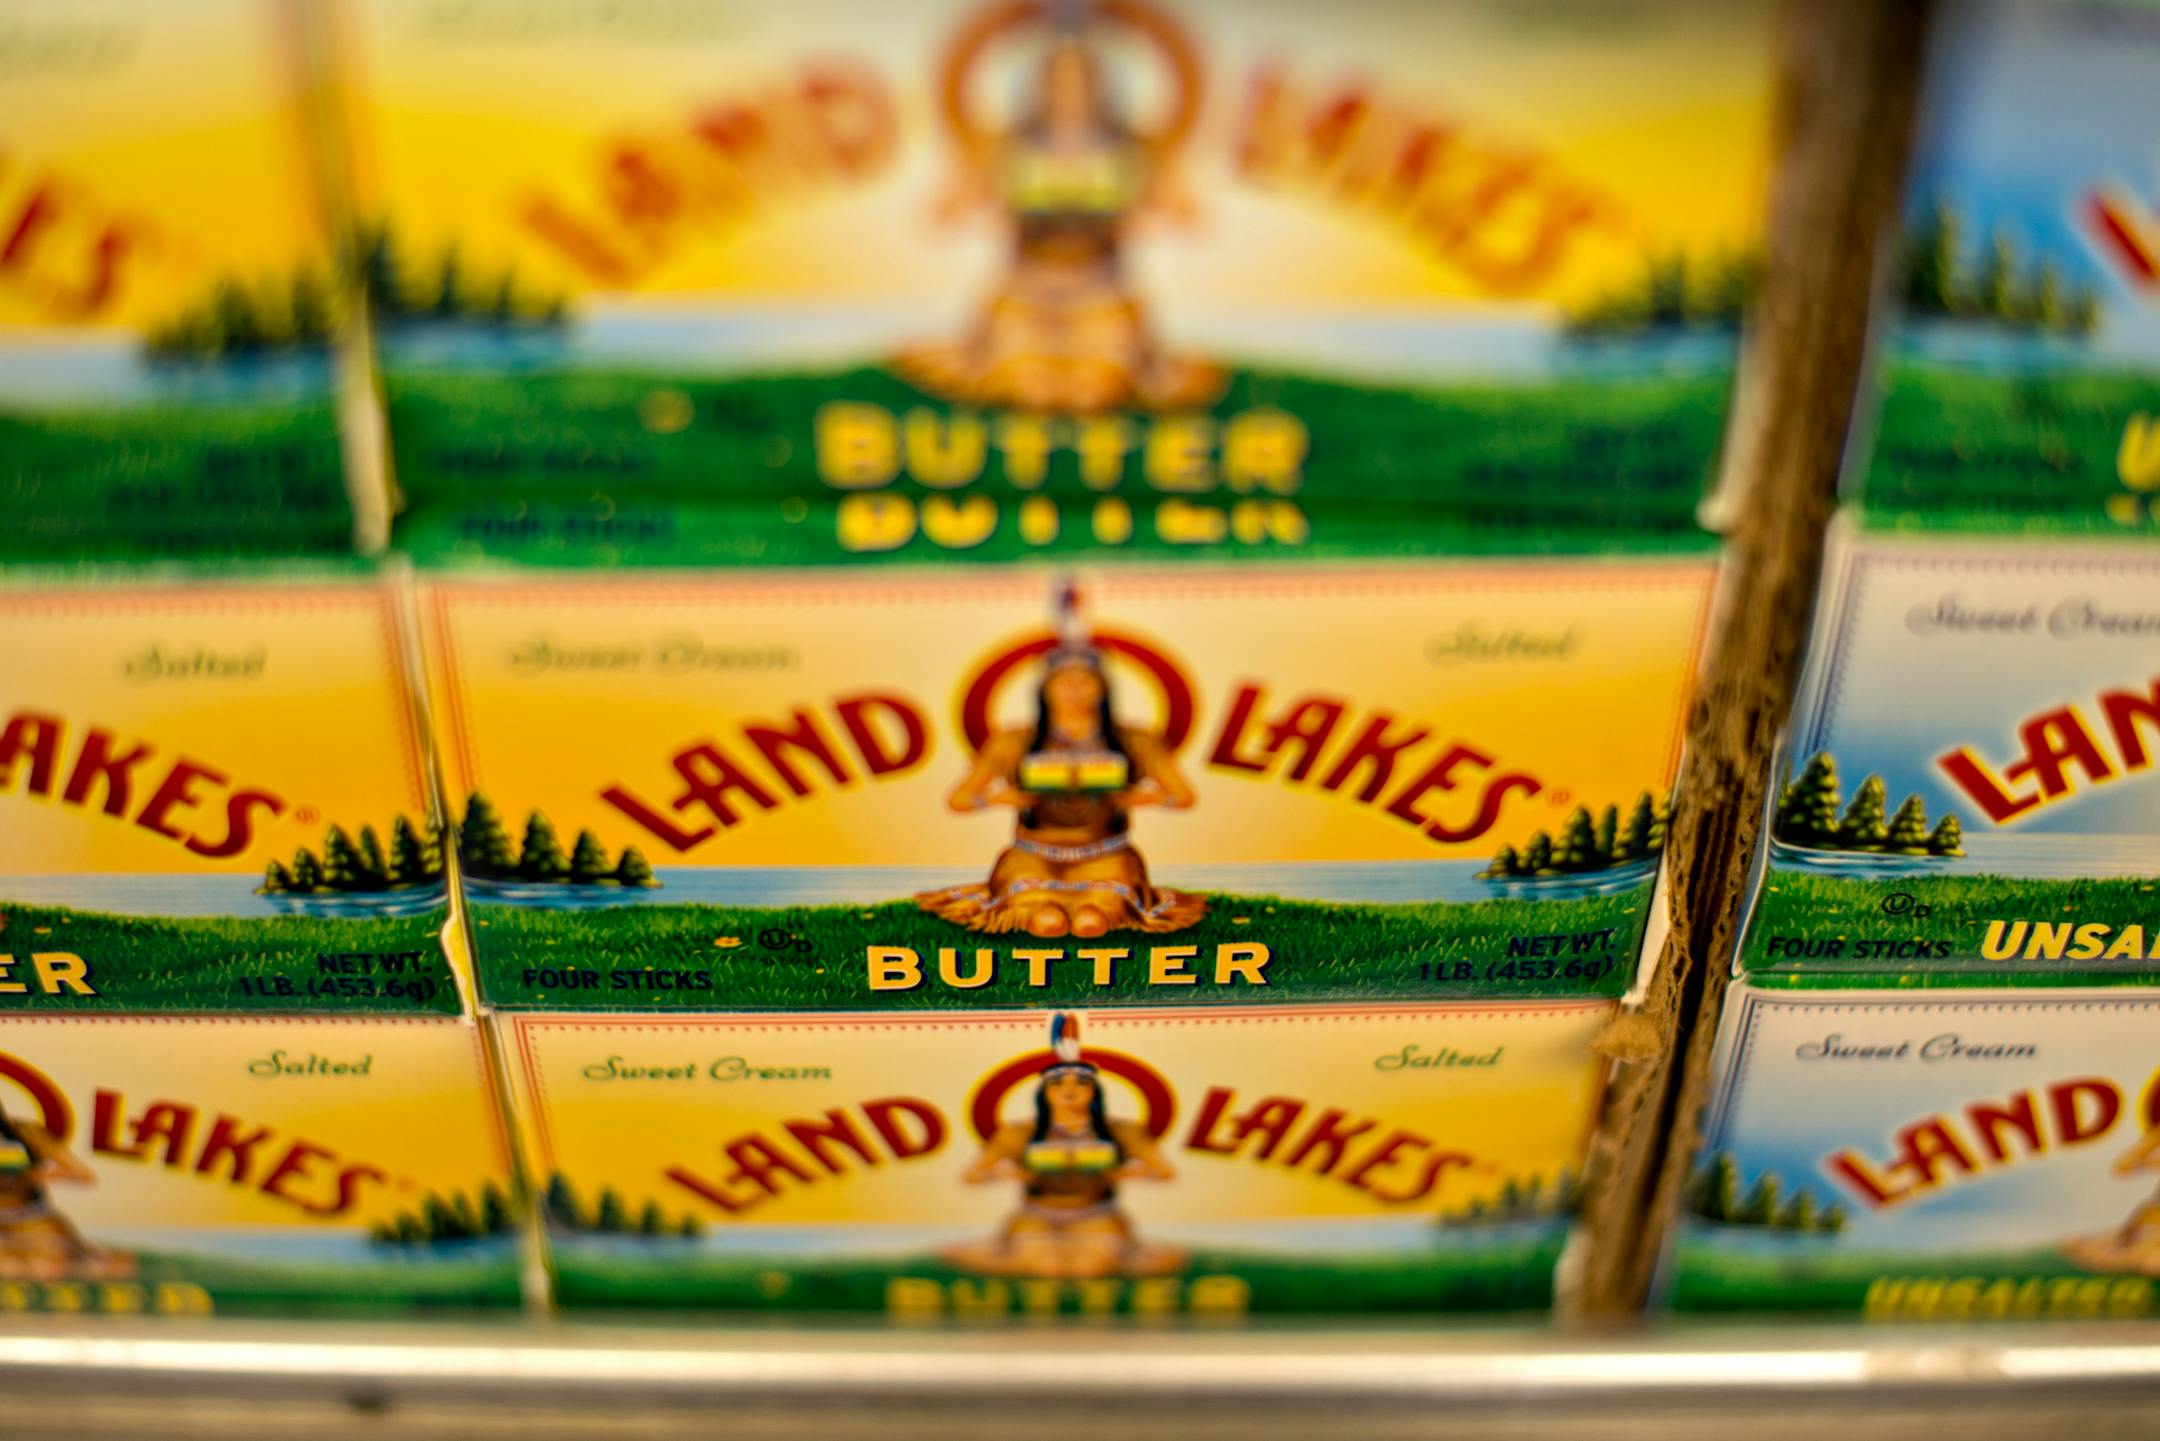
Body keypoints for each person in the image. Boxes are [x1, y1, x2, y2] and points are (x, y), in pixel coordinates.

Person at [896, 4, 1220, 415]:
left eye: (1080, 78)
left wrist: (1161, 184)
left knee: (1093, 394)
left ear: (1100, 85)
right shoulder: (1007, 148)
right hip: (1024, 294)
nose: (1070, 89)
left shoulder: (1132, 149)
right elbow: (944, 213)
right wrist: (968, 179)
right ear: (1040, 85)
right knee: (1030, 393)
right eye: (1059, 78)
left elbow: (1186, 215)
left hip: (1101, 294)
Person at [918, 585, 1204, 938]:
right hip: (1033, 855)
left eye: (1085, 680)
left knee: (1092, 922)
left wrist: (1145, 797)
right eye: (1063, 681)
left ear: (1102, 687)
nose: (1074, 689)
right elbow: (958, 799)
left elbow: (1184, 795)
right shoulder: (1014, 741)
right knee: (1045, 921)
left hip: (1107, 855)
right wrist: (995, 798)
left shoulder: (1135, 741)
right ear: (1044, 688)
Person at [944, 1014, 1184, 1279]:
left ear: (1094, 1092)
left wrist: (1119, 1173)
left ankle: (1135, 1253)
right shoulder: (1019, 1133)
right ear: (1044, 1094)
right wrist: (1012, 1174)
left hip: (1097, 1213)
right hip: (1035, 1213)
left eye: (1081, 1084)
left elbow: (1164, 1172)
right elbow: (973, 1175)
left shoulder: (1122, 1131)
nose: (1069, 1092)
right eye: (1057, 1085)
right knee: (1046, 1266)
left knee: (1089, 1267)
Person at [0, 1105, 129, 1281]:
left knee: (44, 1268)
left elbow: (84, 1175)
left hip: (31, 1221)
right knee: (10, 1268)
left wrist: (32, 1175)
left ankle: (90, 1258)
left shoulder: (27, 1133)